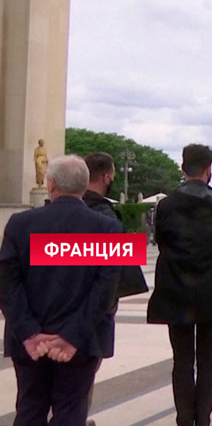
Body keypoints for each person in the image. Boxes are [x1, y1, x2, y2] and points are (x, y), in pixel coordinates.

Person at [0, 155, 122, 425]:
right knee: (71, 411)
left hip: (30, 342)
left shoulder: (19, 224)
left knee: (30, 409)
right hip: (82, 341)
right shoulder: (109, 228)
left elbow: (7, 284)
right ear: (83, 186)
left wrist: (30, 333)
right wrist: (71, 336)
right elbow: (106, 292)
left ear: (51, 184)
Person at [147, 144, 212, 426]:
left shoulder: (166, 204)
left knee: (182, 359)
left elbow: (161, 240)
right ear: (209, 170)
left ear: (182, 167)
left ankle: (184, 419)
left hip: (176, 286)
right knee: (209, 357)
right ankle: (203, 419)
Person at [82, 153, 149, 425]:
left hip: (47, 311)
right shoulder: (107, 220)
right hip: (91, 312)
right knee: (83, 373)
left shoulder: (33, 220)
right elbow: (117, 277)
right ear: (107, 177)